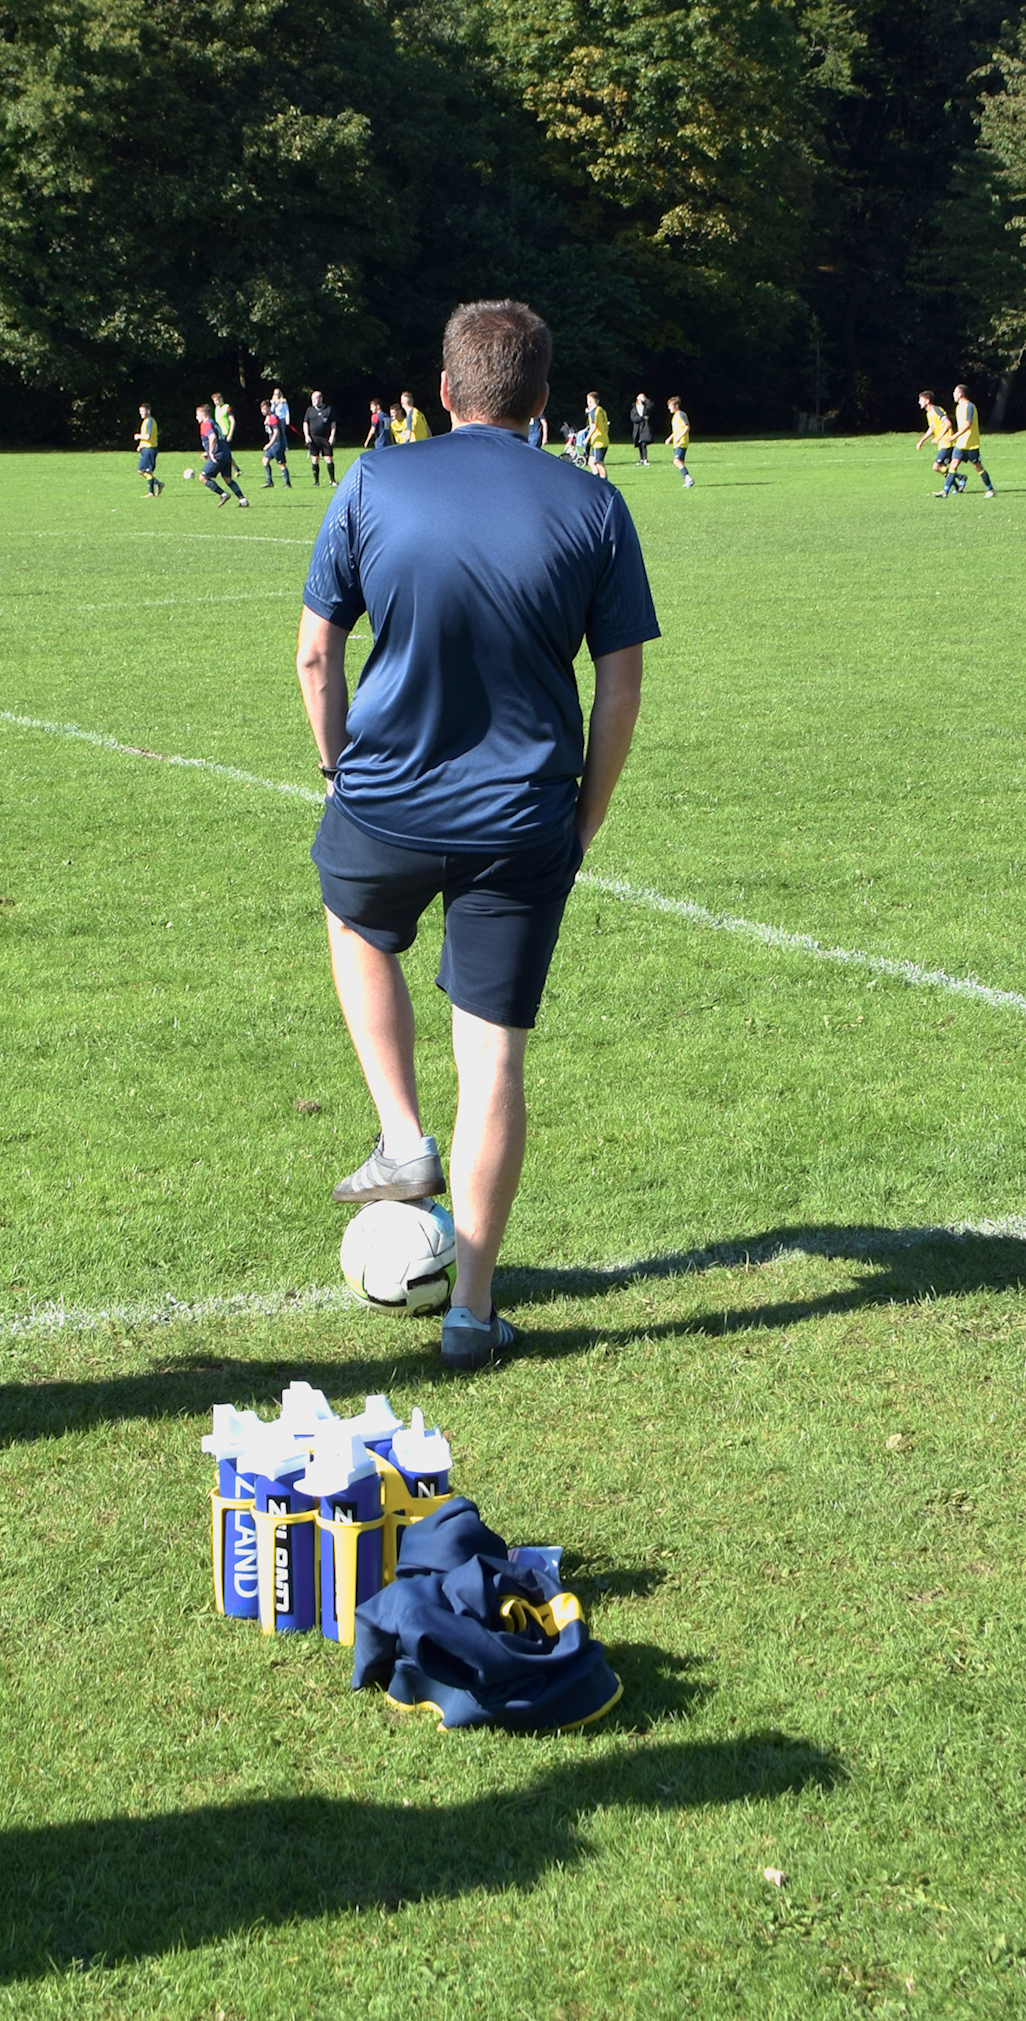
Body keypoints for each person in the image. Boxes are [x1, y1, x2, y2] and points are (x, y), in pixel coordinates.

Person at [296, 298, 658, 1373]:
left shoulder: (371, 477)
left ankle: (403, 1135)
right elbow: (623, 680)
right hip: (526, 815)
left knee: (355, 920)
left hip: (387, 800)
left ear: (443, 392)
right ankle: (473, 1309)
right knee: (494, 1057)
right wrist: (586, 812)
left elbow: (318, 656)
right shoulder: (596, 502)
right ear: (543, 401)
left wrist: (338, 767)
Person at [937, 384, 995, 498]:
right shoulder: (958, 407)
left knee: (977, 467)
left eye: (955, 392)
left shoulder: (970, 406)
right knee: (953, 464)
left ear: (960, 394)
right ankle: (945, 491)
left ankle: (991, 490)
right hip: (960, 444)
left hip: (971, 443)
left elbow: (968, 425)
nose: (953, 394)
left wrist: (954, 436)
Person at [194, 403, 249, 508]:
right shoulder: (214, 423)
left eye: (197, 414)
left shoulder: (205, 425)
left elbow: (213, 437)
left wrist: (210, 452)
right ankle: (243, 500)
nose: (196, 417)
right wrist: (208, 451)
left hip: (218, 455)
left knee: (203, 477)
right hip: (226, 453)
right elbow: (219, 439)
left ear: (203, 414)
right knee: (227, 478)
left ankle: (223, 494)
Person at [916, 389, 961, 488]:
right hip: (942, 444)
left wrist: (939, 438)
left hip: (947, 443)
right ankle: (958, 486)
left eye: (921, 400)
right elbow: (932, 428)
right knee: (941, 467)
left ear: (927, 401)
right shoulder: (929, 413)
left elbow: (948, 423)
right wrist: (922, 441)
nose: (919, 402)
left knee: (936, 467)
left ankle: (960, 478)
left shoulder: (937, 410)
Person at [304, 390, 337, 487]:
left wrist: (332, 435)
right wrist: (306, 435)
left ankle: (332, 480)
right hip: (314, 438)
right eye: (313, 398)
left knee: (328, 458)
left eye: (316, 398)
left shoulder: (328, 409)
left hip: (325, 438)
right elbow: (305, 423)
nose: (314, 400)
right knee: (314, 459)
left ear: (321, 398)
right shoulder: (309, 410)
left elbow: (333, 423)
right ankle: (316, 481)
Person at [261, 399, 292, 488]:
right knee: (265, 461)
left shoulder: (273, 418)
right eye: (262, 409)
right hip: (272, 445)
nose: (262, 411)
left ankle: (287, 484)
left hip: (277, 444)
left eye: (264, 409)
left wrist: (269, 445)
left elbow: (276, 433)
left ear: (269, 408)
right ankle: (269, 481)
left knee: (281, 464)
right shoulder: (269, 418)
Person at [134, 402, 161, 498]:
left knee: (146, 471)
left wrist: (138, 436)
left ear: (148, 411)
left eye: (142, 411)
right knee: (141, 470)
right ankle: (157, 484)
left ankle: (151, 492)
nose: (140, 413)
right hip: (146, 448)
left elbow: (147, 436)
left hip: (150, 449)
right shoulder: (145, 421)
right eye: (140, 411)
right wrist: (141, 445)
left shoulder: (149, 421)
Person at [666, 397, 693, 488]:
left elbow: (687, 427)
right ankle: (687, 480)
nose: (669, 408)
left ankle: (688, 478)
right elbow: (677, 430)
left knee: (676, 461)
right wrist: (670, 438)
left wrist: (679, 438)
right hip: (677, 443)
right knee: (680, 462)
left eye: (671, 406)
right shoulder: (675, 416)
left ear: (676, 406)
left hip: (681, 442)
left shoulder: (681, 414)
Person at [585, 392, 609, 478]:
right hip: (604, 439)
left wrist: (587, 438)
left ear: (591, 401)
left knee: (599, 463)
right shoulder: (602, 410)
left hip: (598, 442)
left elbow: (594, 426)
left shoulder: (593, 412)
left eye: (588, 401)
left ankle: (604, 482)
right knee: (591, 462)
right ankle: (596, 479)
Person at [629, 393, 652, 467]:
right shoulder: (634, 408)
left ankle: (645, 459)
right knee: (639, 444)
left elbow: (651, 406)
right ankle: (641, 459)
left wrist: (645, 400)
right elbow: (633, 418)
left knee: (643, 443)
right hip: (637, 428)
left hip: (645, 427)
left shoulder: (646, 407)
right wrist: (642, 418)